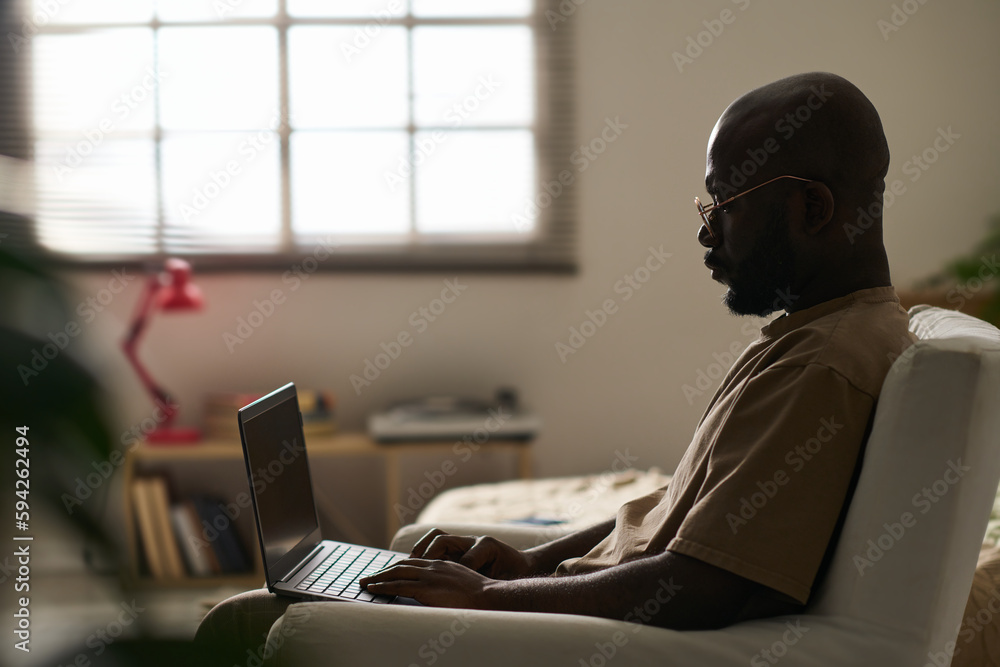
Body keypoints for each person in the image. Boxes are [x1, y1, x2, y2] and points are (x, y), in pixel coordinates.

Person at [197, 71, 915, 654]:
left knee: (242, 622)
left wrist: (491, 598)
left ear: (812, 209)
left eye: (725, 203)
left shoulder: (825, 366)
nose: (704, 232)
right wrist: (532, 561)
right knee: (326, 584)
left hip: (591, 637)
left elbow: (702, 584)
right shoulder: (817, 335)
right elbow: (673, 519)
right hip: (572, 601)